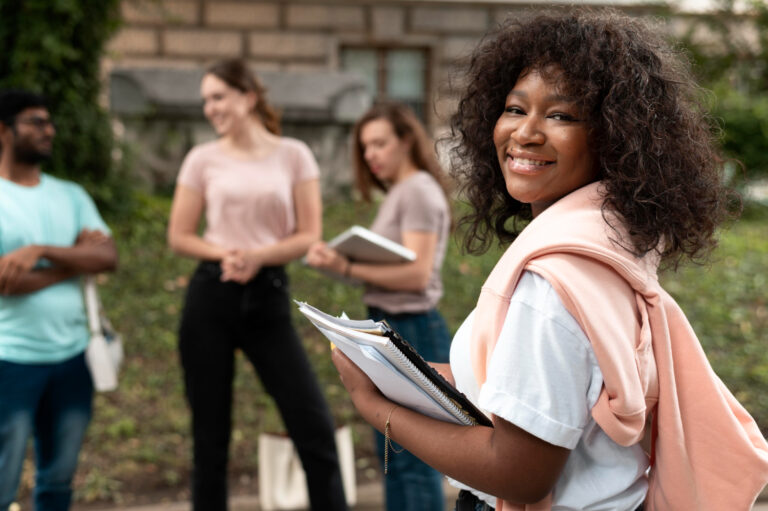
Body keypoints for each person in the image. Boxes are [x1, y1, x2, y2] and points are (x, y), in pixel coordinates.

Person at [327, 9, 768, 511]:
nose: (526, 133)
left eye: (560, 115)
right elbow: (548, 390)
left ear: (615, 136)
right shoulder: (611, 243)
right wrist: (412, 374)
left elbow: (518, 474)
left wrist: (376, 407)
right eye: (515, 109)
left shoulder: (551, 281)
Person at [167, 59, 347, 511]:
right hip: (212, 294)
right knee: (210, 437)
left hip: (267, 296)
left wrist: (258, 257)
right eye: (205, 99)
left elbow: (308, 233)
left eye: (218, 97)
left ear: (247, 97)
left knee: (313, 426)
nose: (210, 108)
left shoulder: (294, 154)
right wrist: (226, 254)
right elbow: (179, 235)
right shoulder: (201, 159)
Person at [306, 102, 453, 511]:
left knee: (414, 457)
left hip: (413, 328)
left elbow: (419, 275)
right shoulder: (402, 192)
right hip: (391, 326)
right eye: (365, 146)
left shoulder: (418, 190)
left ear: (407, 140)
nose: (370, 154)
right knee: (395, 455)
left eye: (379, 143)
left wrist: (347, 266)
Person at [0, 90, 118, 510]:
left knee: (58, 479)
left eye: (49, 122)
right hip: (9, 360)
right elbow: (3, 282)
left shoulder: (71, 195)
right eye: (35, 122)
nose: (47, 130)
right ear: (4, 131)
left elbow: (107, 256)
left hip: (72, 359)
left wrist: (38, 251)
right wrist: (73, 259)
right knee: (2, 480)